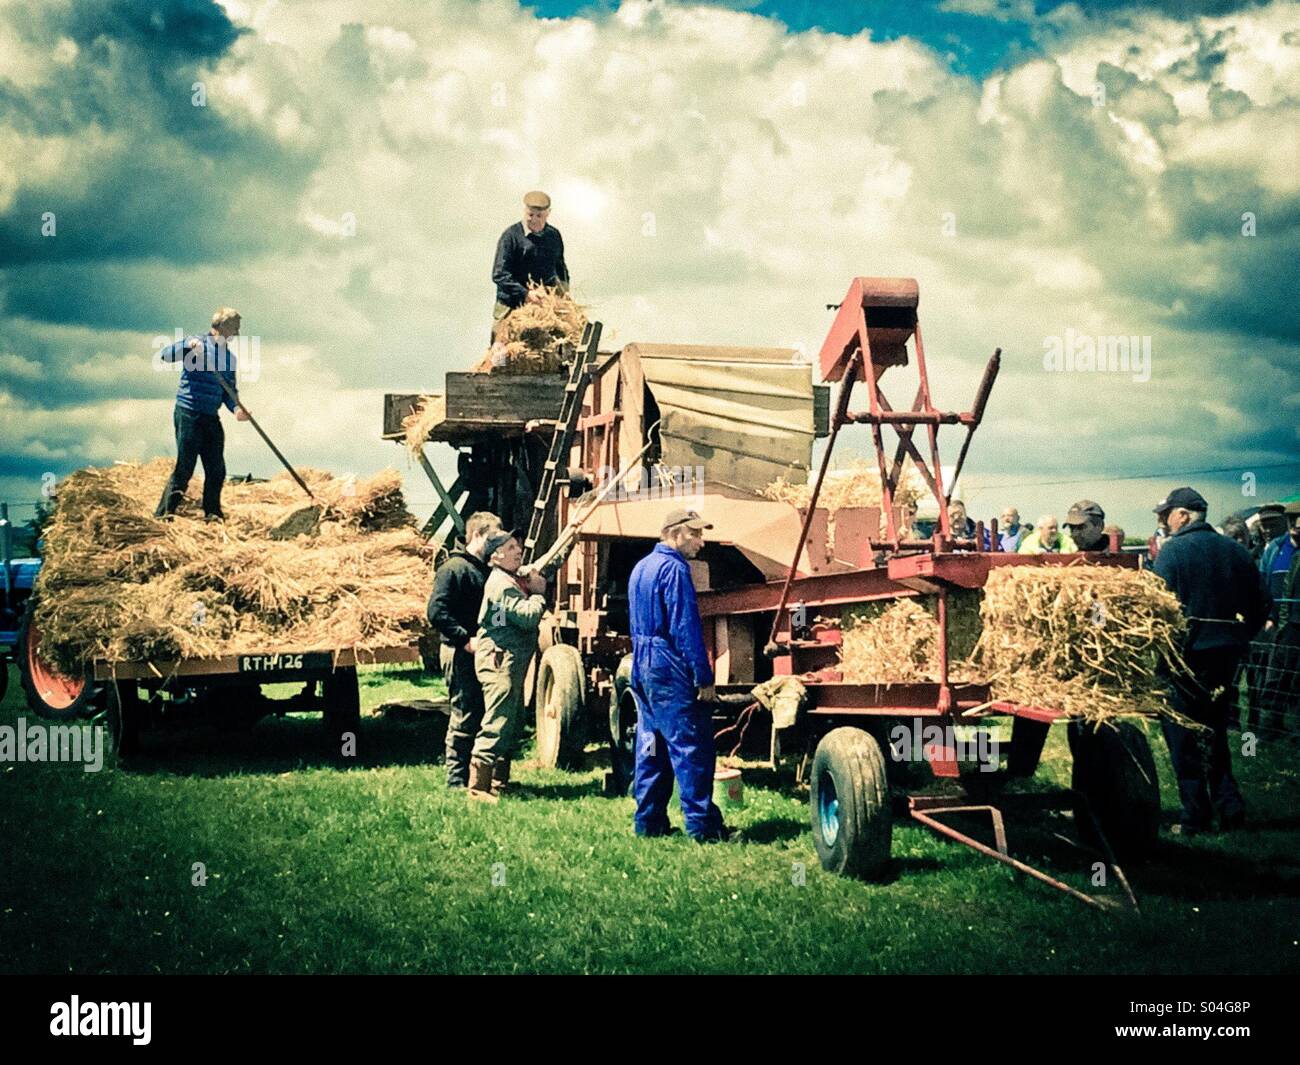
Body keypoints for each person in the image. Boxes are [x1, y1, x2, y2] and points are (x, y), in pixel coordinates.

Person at [1152, 486, 1268, 834]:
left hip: (1184, 658)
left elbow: (1159, 612)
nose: (1164, 521)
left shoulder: (1172, 554)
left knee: (1182, 734)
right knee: (1215, 730)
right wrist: (1238, 639)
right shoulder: (1236, 551)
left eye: (1167, 514)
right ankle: (1230, 806)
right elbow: (1262, 606)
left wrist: (1165, 653)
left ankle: (1195, 815)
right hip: (1225, 657)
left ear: (1184, 515)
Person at [629, 507, 729, 842]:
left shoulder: (641, 568)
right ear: (674, 533)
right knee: (692, 747)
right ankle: (704, 829)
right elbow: (685, 627)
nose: (701, 541)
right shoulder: (674, 569)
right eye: (695, 533)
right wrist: (703, 677)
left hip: (641, 663)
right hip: (667, 663)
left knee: (651, 747)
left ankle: (649, 823)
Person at [468, 530, 547, 802]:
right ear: (496, 554)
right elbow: (527, 617)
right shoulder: (501, 585)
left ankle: (499, 783)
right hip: (499, 661)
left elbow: (503, 620)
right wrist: (538, 594)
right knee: (498, 718)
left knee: (511, 721)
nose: (519, 550)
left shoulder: (510, 578)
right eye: (511, 547)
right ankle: (478, 788)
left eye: (518, 546)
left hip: (507, 659)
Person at [427, 511, 502, 789]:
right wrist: (464, 639)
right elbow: (436, 612)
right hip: (460, 652)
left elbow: (495, 612)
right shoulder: (453, 569)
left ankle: (479, 777)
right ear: (477, 535)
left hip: (482, 651)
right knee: (465, 714)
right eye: (493, 538)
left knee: (485, 712)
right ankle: (456, 779)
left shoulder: (488, 571)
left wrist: (499, 631)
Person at [154, 307, 250, 521]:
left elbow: (229, 391)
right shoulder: (196, 343)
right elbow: (165, 355)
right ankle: (163, 514)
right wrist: (186, 346)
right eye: (234, 328)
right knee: (185, 468)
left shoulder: (229, 359)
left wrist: (236, 409)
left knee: (217, 469)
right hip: (188, 412)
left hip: (210, 416)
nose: (237, 334)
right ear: (222, 327)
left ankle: (212, 513)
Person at [491, 190, 569, 335]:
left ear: (548, 214)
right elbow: (499, 274)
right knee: (500, 352)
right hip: (511, 305)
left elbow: (560, 269)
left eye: (539, 216)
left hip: (544, 307)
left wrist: (564, 297)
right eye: (530, 215)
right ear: (524, 211)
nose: (534, 219)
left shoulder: (554, 236)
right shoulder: (510, 237)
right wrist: (526, 294)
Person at [1260, 502, 1300, 738]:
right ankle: (1269, 727)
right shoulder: (1275, 549)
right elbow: (1264, 584)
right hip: (1280, 623)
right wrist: (1268, 616)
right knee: (1275, 675)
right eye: (1293, 519)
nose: (1297, 525)